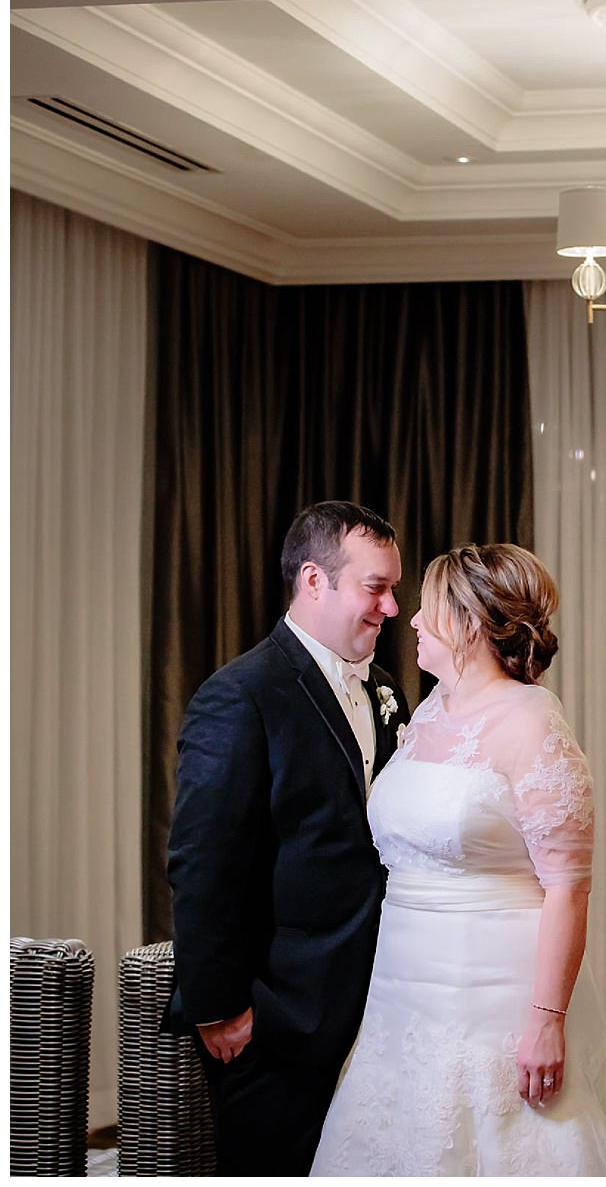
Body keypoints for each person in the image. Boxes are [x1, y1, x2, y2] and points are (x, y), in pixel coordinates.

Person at [311, 542, 606, 1175]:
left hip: (497, 994)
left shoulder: (533, 720)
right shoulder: (428, 712)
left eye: (427, 608)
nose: (409, 621)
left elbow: (569, 887)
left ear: (468, 621)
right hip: (403, 996)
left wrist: (546, 1021)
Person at [166, 501, 413, 1174]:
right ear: (313, 580)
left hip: (382, 1012)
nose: (391, 608)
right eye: (377, 588)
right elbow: (202, 862)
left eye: (393, 588)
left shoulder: (388, 692)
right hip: (275, 1020)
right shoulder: (240, 695)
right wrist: (220, 1009)